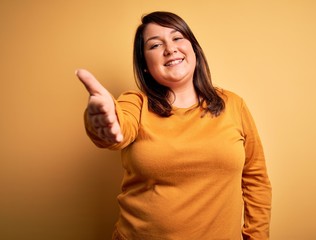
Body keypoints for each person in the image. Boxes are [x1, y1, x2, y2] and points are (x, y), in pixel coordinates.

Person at [76, 11, 271, 240]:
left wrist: (256, 238)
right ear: (145, 64)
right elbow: (117, 127)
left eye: (177, 38)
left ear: (194, 49)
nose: (170, 49)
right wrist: (104, 123)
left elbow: (256, 179)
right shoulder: (136, 104)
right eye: (155, 45)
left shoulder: (233, 105)